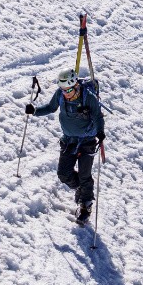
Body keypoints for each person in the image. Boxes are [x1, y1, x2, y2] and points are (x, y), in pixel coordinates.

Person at [27, 67, 106, 224]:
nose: (65, 93)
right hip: (69, 140)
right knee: (64, 174)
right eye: (62, 89)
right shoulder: (60, 95)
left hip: (87, 142)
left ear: (75, 85)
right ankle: (81, 189)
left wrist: (100, 132)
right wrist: (34, 111)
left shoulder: (87, 97)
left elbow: (97, 116)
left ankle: (85, 206)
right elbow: (50, 108)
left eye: (68, 89)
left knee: (85, 175)